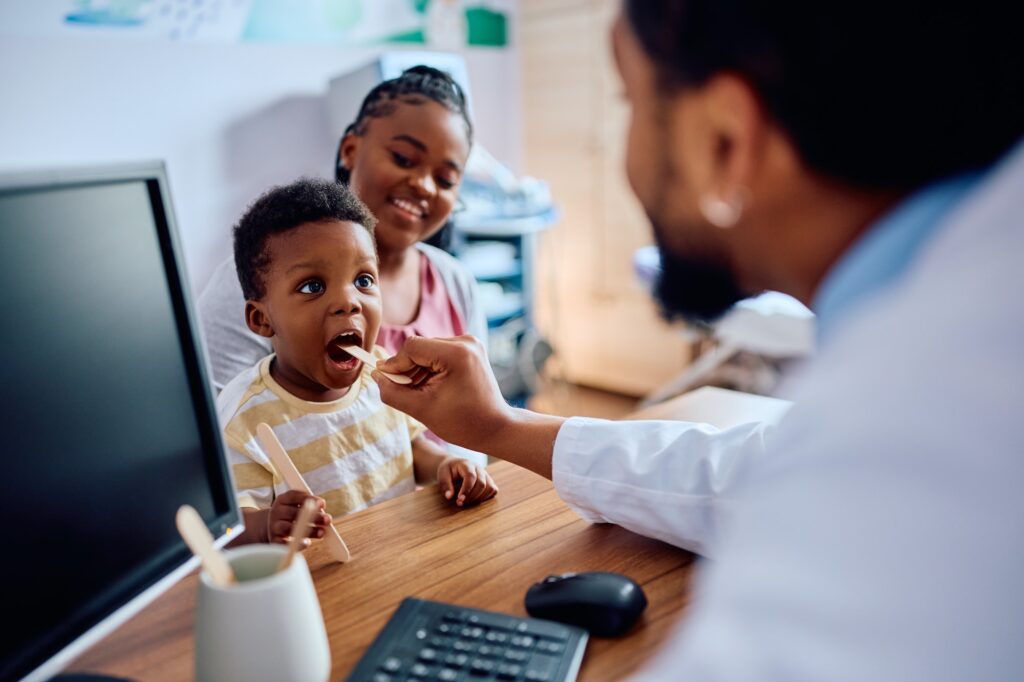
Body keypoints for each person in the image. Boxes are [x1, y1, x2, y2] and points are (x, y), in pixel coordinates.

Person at [371, 2, 1024, 679]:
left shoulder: (941, 430)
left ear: (724, 140)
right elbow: (747, 476)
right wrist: (500, 426)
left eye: (629, 101)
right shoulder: (957, 340)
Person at [218, 178, 497, 547]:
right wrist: (266, 525)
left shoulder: (381, 374)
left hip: (399, 561)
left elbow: (410, 447)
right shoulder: (243, 419)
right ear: (261, 319)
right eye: (312, 286)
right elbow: (226, 532)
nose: (348, 301)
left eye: (363, 279)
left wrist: (446, 466)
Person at [197, 66, 485, 393]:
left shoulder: (457, 285)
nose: (424, 186)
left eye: (445, 180)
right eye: (404, 158)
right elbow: (218, 426)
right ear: (350, 150)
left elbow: (480, 423)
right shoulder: (256, 280)